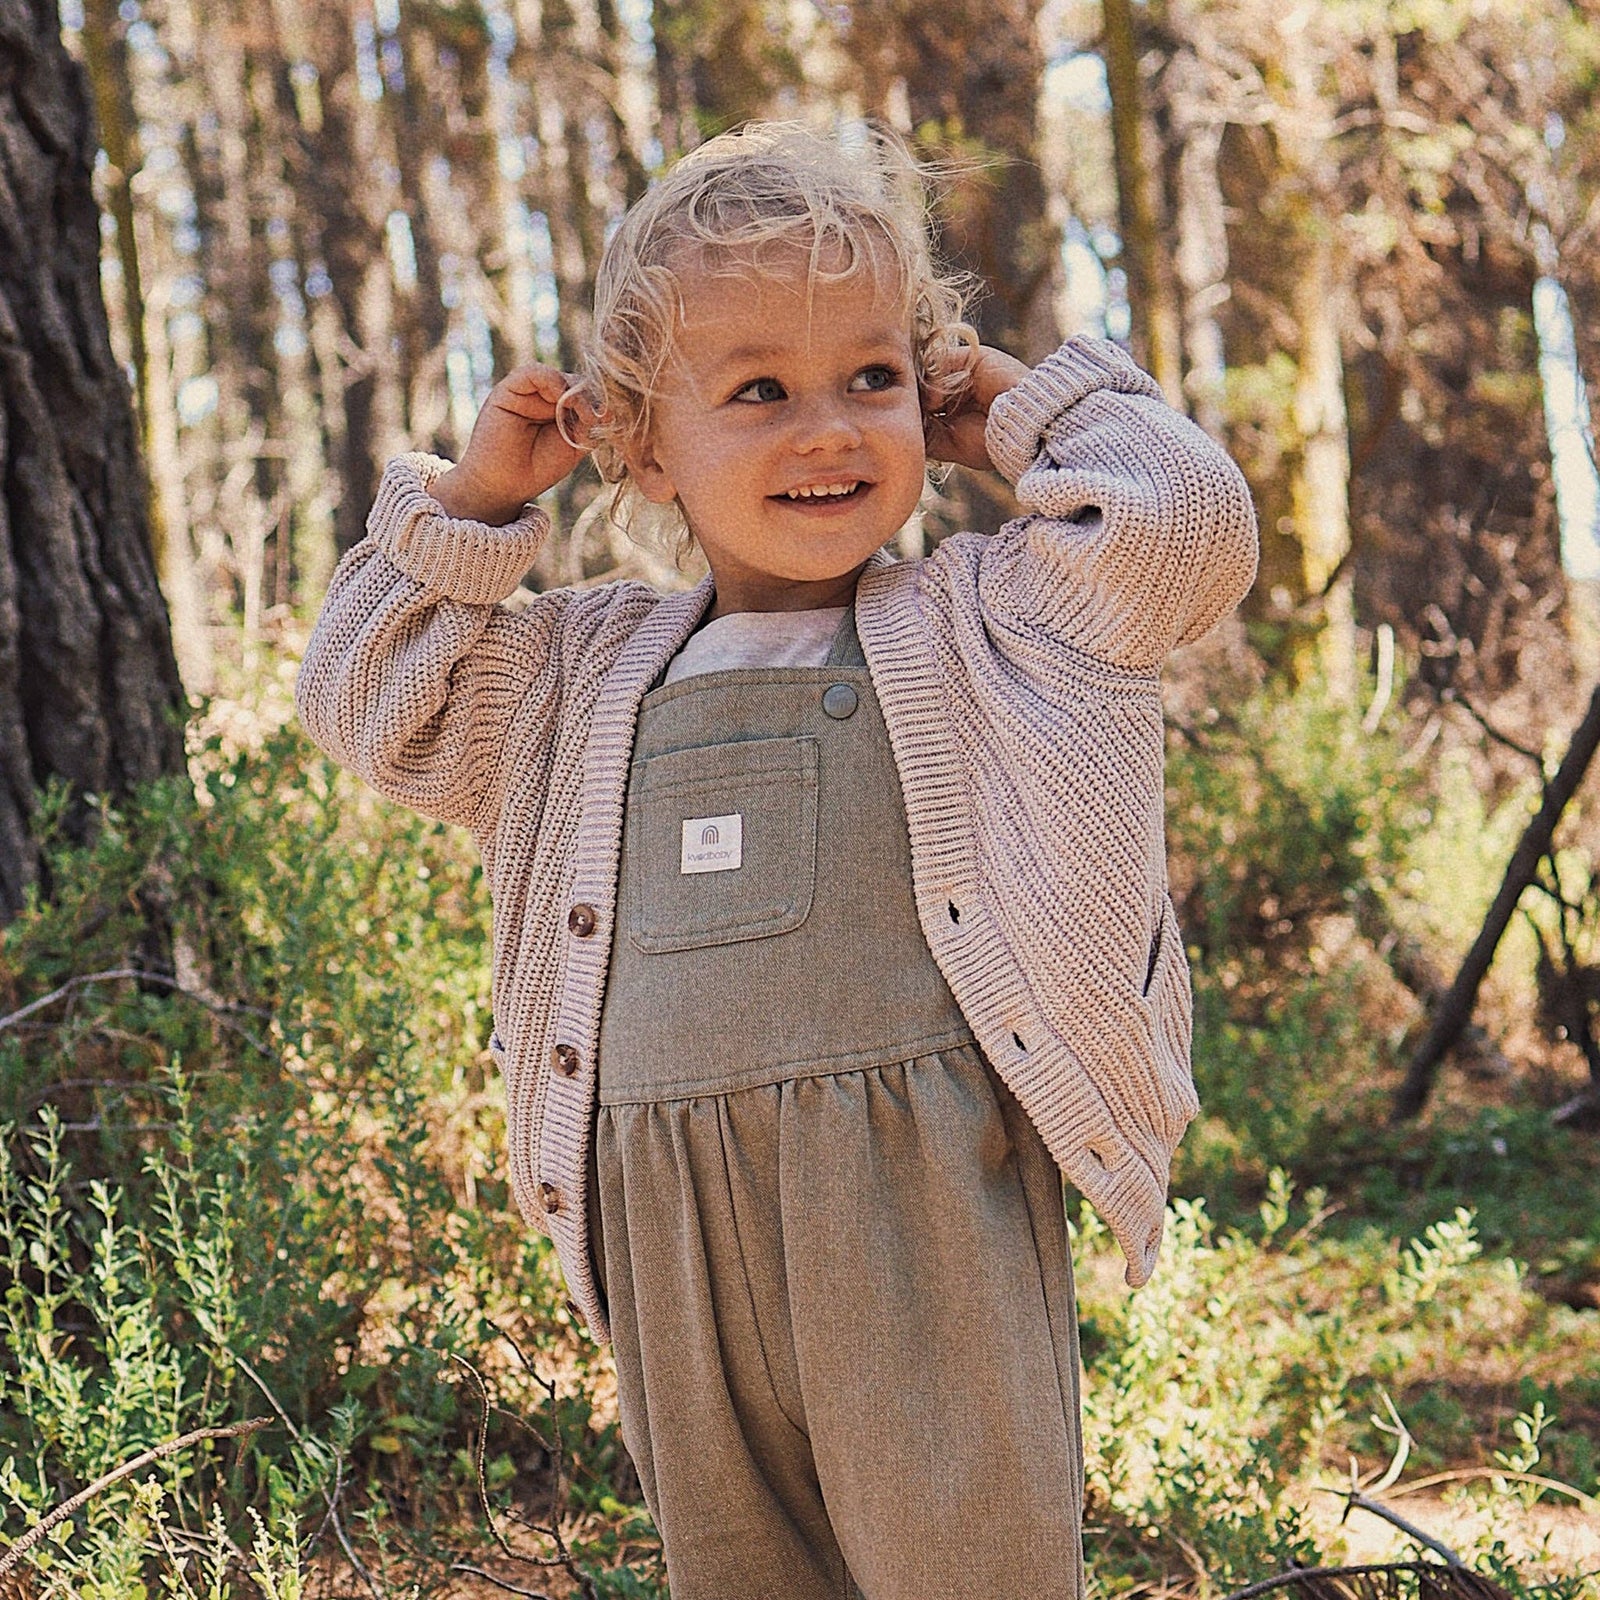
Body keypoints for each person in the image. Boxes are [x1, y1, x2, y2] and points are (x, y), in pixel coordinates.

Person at [297, 119, 1258, 1599]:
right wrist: (477, 507)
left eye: (871, 377)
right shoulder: (569, 673)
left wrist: (1021, 413)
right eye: (759, 391)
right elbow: (362, 702)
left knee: (970, 1568)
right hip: (670, 1221)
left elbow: (1186, 534)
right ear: (639, 445)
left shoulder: (995, 621)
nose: (829, 431)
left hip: (927, 1197)